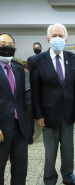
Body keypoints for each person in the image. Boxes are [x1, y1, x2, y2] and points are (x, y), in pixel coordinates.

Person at [29, 23, 75, 185]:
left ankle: (68, 176)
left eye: (60, 36)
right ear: (48, 39)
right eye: (54, 36)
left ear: (65, 39)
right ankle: (50, 179)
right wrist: (38, 115)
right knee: (50, 152)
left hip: (68, 113)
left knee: (68, 150)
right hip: (48, 115)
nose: (57, 39)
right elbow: (35, 90)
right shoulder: (36, 60)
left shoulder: (73, 58)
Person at [0, 33, 28, 185]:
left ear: (15, 49)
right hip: (1, 130)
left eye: (10, 45)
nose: (6, 47)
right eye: (3, 44)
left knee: (20, 171)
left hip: (20, 129)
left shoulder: (18, 70)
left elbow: (21, 98)